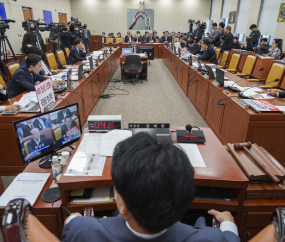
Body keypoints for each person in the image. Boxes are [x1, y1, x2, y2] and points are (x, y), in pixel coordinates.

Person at [61, 132, 240, 242]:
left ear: (123, 206)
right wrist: (229, 224)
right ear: (184, 201)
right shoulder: (213, 238)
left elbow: (72, 225)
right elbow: (230, 238)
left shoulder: (80, 231)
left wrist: (73, 219)